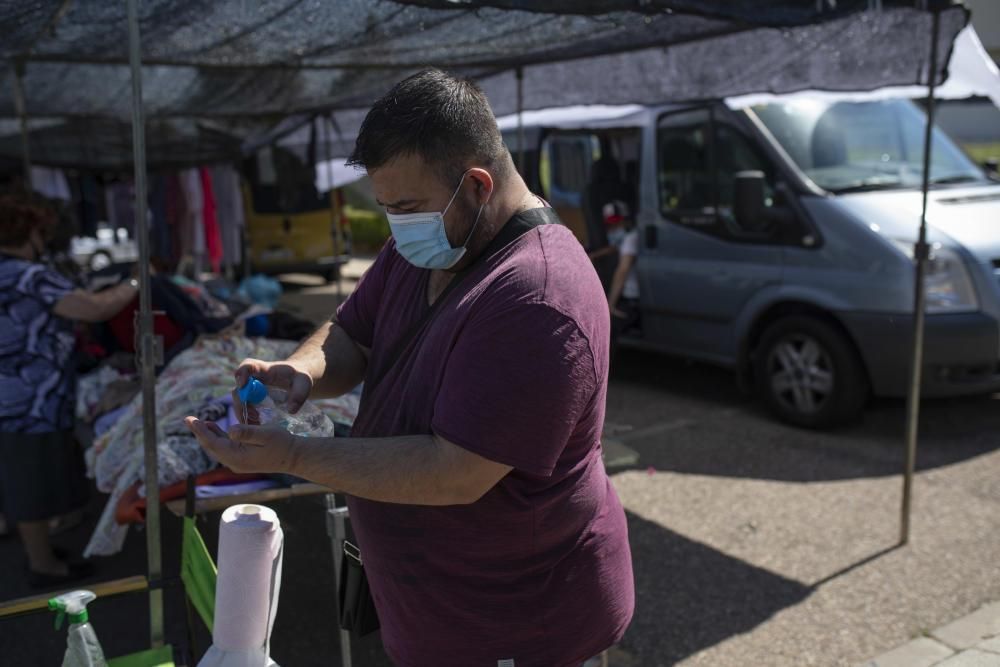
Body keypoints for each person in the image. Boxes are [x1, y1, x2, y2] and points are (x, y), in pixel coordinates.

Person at [186, 69, 634, 666]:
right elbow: (354, 331)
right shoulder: (431, 243)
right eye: (387, 207)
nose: (398, 226)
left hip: (519, 627)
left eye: (408, 207)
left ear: (477, 185)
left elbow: (456, 472)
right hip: (440, 615)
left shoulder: (536, 295)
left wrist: (292, 456)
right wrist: (301, 370)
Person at [0, 190, 141, 587]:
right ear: (29, 231)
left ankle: (41, 552)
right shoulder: (28, 275)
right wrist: (135, 281)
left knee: (26, 475)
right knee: (31, 480)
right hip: (31, 400)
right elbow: (92, 308)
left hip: (16, 394)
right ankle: (42, 566)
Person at [602, 200, 641, 344]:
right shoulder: (631, 236)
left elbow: (622, 271)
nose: (615, 227)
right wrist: (594, 255)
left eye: (617, 222)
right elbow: (615, 247)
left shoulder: (630, 239)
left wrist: (610, 304)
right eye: (611, 224)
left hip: (631, 300)